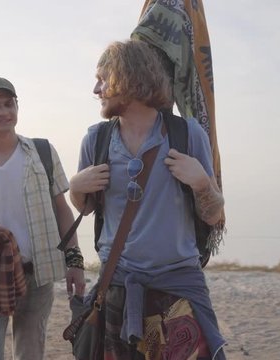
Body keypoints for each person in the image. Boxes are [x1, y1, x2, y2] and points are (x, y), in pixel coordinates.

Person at [69, 39, 227, 359]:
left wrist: (202, 184)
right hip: (116, 285)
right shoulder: (96, 139)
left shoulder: (186, 135)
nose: (96, 89)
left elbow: (212, 216)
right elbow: (86, 206)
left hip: (178, 284)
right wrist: (75, 188)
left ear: (129, 78)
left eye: (102, 79)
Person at [0, 76, 86, 360]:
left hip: (36, 274)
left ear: (17, 106)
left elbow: (62, 210)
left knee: (30, 352)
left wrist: (74, 261)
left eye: (8, 104)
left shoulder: (42, 152)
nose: (3, 112)